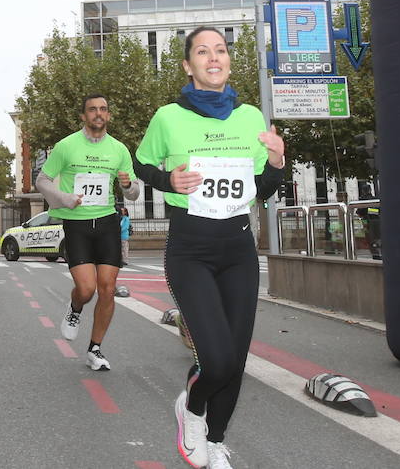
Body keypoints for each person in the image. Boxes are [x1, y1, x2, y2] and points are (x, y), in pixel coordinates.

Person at [132, 27, 286, 469]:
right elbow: (142, 163)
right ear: (188, 65)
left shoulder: (251, 117)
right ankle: (191, 408)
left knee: (235, 358)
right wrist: (168, 181)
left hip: (238, 247)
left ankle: (215, 440)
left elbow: (262, 189)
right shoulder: (168, 117)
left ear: (228, 62)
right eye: (203, 51)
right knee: (215, 360)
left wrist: (277, 161)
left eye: (220, 50)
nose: (213, 57)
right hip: (191, 249)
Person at [35, 94, 139, 372]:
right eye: (92, 109)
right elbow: (42, 180)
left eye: (103, 109)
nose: (98, 113)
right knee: (86, 289)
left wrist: (128, 186)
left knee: (107, 290)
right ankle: (75, 308)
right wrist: (64, 198)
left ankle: (95, 349)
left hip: (106, 222)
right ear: (83, 116)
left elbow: (133, 192)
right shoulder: (66, 146)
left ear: (109, 115)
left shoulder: (119, 149)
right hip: (77, 224)